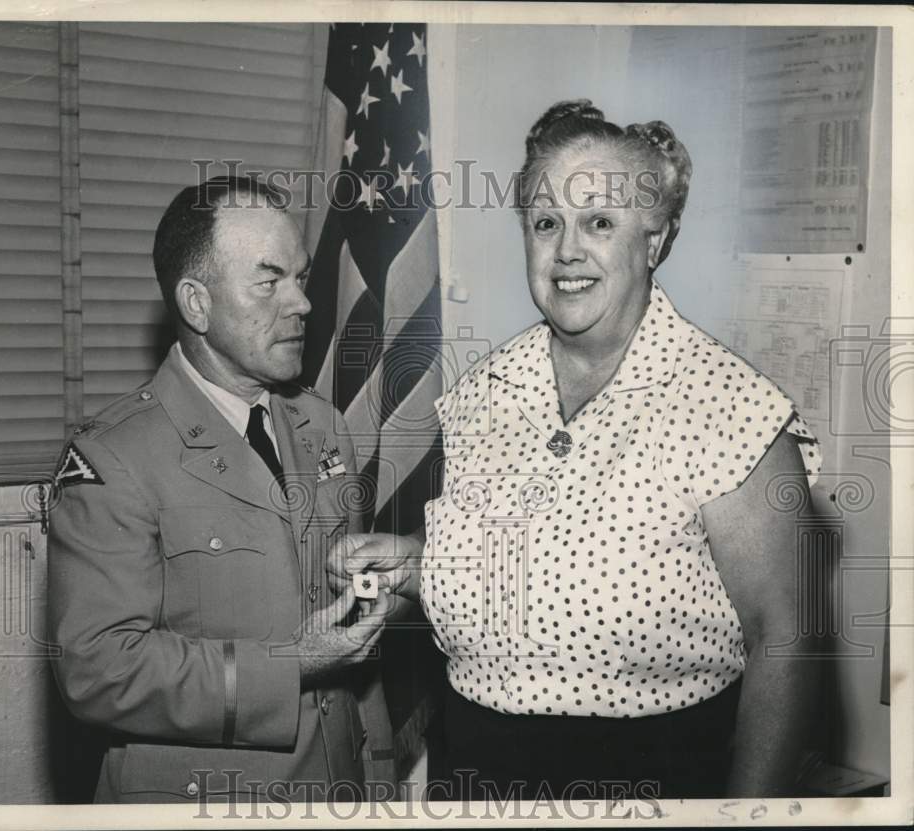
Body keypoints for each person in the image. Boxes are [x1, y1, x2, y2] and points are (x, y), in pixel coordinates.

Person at [329, 100, 822, 800]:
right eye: (546, 223)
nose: (566, 251)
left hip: (653, 782)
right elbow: (524, 556)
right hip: (472, 775)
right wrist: (413, 559)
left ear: (652, 241)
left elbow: (789, 638)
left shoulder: (729, 408)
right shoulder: (484, 392)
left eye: (598, 222)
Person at [47, 176, 396, 804]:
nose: (303, 304)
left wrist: (380, 768)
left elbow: (348, 610)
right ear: (197, 304)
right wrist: (293, 663)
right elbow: (97, 672)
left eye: (300, 277)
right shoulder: (114, 457)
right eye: (269, 281)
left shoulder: (323, 426)